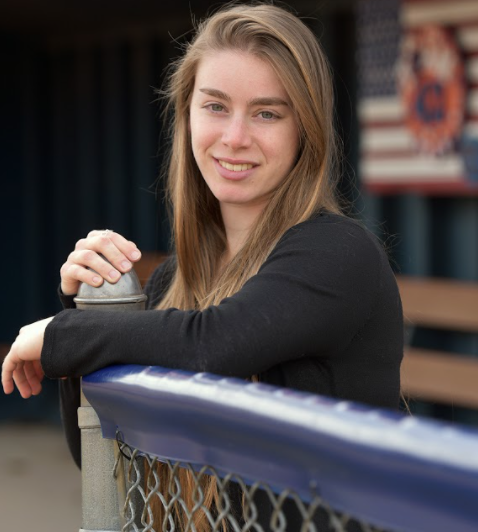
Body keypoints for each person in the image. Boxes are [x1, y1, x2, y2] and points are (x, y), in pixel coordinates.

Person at [2, 2, 403, 530]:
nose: (235, 137)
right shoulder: (173, 283)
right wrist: (87, 300)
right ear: (186, 114)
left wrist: (62, 334)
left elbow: (214, 343)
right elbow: (104, 458)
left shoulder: (337, 253)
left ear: (304, 130)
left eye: (267, 113)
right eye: (215, 106)